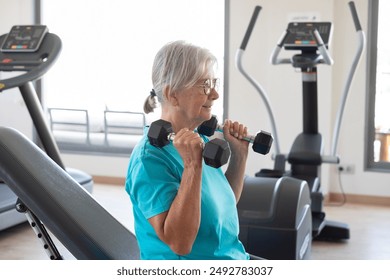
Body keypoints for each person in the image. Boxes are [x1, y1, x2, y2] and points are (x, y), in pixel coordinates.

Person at [125, 40, 251, 260]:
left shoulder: (197, 139)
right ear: (173, 94)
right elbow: (180, 243)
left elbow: (221, 206)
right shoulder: (149, 159)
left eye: (214, 84)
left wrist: (239, 156)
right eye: (205, 85)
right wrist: (192, 166)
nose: (214, 94)